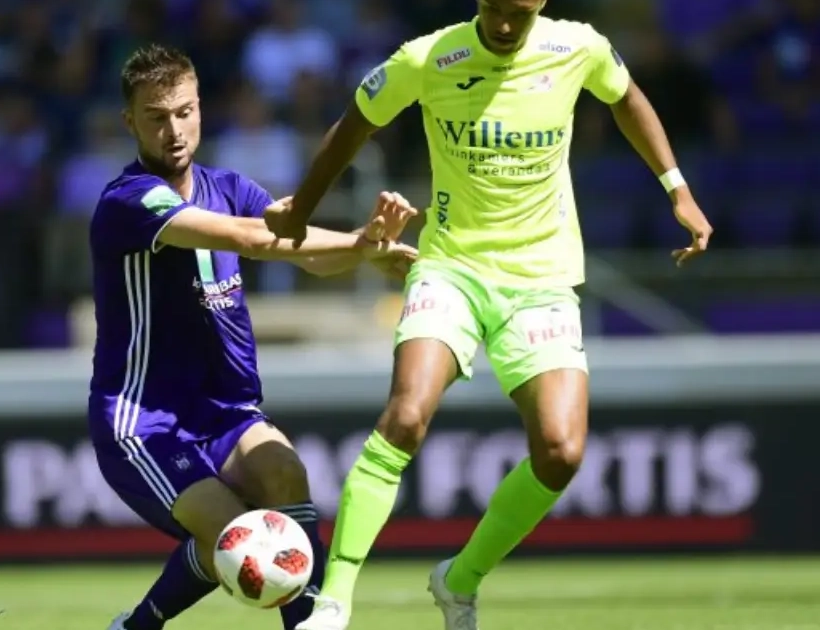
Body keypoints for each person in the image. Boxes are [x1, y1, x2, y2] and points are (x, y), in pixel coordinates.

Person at [263, 1, 714, 629]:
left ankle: (460, 580)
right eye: (494, 9)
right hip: (451, 268)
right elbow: (354, 124)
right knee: (406, 416)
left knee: (561, 452)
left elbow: (626, 96)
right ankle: (333, 601)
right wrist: (301, 211)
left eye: (518, 14)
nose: (504, 25)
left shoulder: (577, 47)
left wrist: (678, 189)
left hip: (542, 281)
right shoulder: (429, 57)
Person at [89, 44, 418, 630]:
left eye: (184, 112)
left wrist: (365, 251)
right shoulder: (128, 200)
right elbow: (253, 238)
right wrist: (358, 244)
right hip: (146, 421)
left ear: (200, 109)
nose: (174, 131)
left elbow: (301, 252)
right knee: (239, 540)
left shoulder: (229, 186)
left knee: (285, 473)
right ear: (129, 122)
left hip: (226, 411)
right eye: (156, 117)